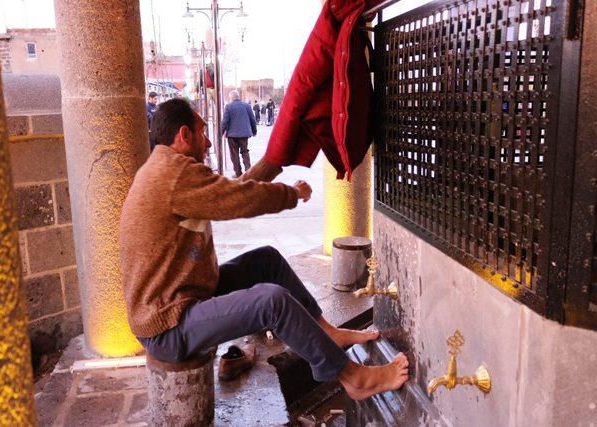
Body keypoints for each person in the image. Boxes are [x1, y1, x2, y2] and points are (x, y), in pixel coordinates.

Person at [119, 98, 409, 400]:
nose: (207, 142)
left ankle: (326, 332)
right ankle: (354, 378)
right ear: (184, 135)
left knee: (266, 260)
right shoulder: (173, 174)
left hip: (184, 295)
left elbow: (230, 190)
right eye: (202, 132)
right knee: (271, 301)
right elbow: (238, 199)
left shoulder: (164, 168)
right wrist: (291, 194)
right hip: (168, 324)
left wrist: (275, 161)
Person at [222, 90, 257, 178]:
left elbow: (225, 121)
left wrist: (220, 133)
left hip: (232, 135)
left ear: (231, 98)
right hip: (244, 134)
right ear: (238, 97)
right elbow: (252, 119)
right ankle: (249, 172)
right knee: (245, 152)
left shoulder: (228, 106)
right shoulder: (247, 106)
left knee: (234, 154)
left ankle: (238, 173)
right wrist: (254, 131)